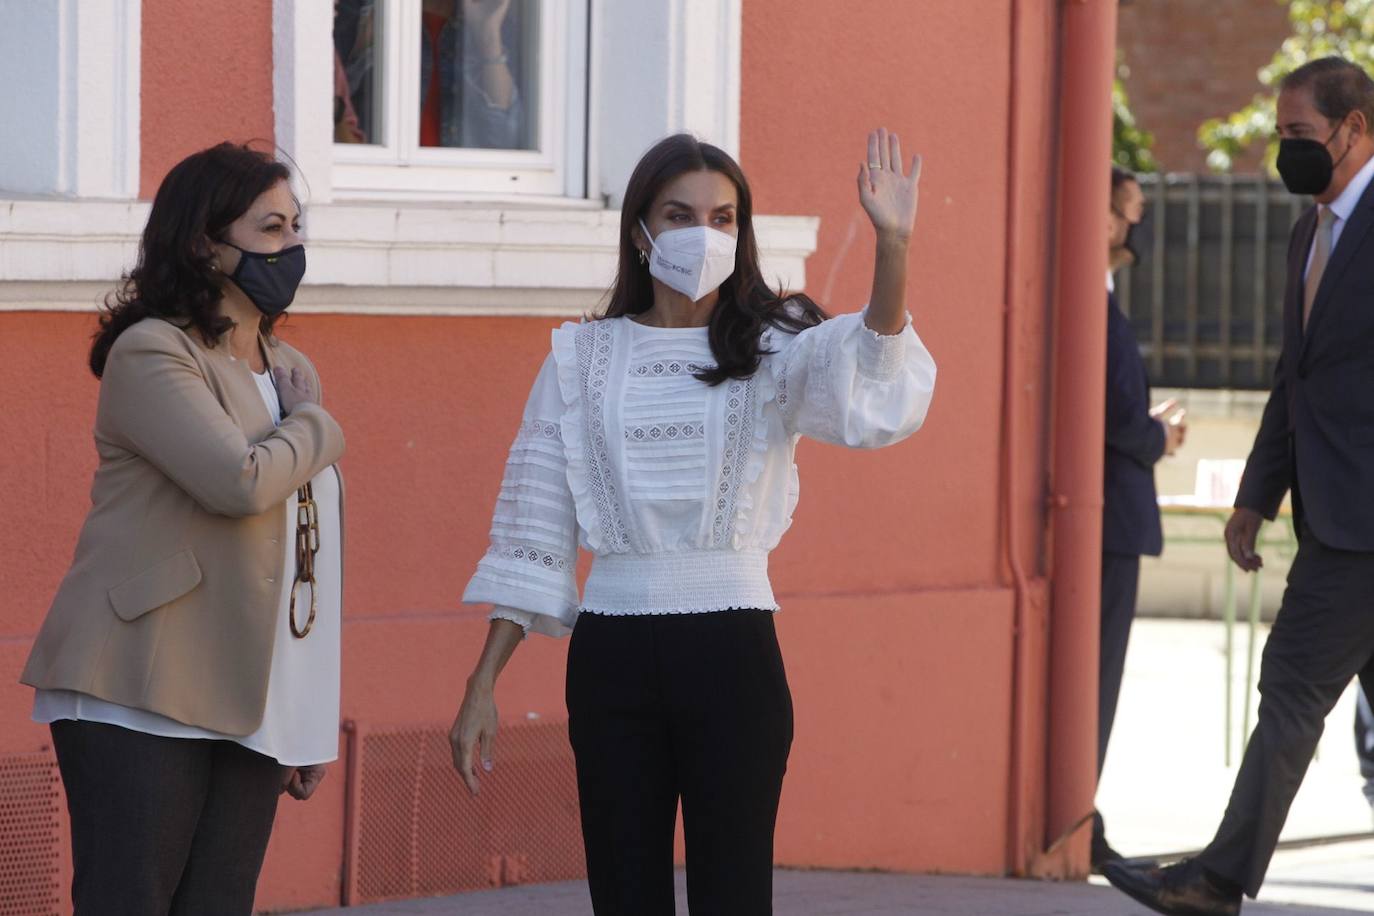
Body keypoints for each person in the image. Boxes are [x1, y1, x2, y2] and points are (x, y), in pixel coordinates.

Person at [449, 129, 936, 915]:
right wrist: (482, 684)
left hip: (733, 652)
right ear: (640, 231)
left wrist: (894, 245)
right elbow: (537, 527)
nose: (702, 234)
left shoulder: (779, 348)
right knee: (623, 894)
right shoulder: (580, 357)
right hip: (611, 654)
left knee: (733, 896)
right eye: (679, 215)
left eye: (723, 217)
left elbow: (872, 382)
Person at [19, 143, 346, 916]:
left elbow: (303, 558)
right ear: (204, 241)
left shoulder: (286, 369)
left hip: (248, 694)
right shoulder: (152, 351)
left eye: (297, 226)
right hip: (138, 682)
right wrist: (320, 427)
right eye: (271, 228)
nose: (292, 247)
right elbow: (238, 484)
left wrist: (305, 716)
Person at [1104, 56, 1374, 916]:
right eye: (1281, 134)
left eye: (1300, 136)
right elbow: (1294, 377)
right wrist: (1257, 495)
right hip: (1332, 514)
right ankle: (1217, 877)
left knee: (1292, 685)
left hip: (1361, 524)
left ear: (1355, 128)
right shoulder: (1309, 233)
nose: (1285, 151)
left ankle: (1217, 881)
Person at [1092, 167, 1185, 870]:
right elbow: (1118, 420)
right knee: (1097, 679)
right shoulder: (1094, 302)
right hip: (1109, 522)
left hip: (1115, 521)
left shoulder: (1106, 299)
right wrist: (1160, 437)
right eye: (1130, 211)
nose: (1136, 226)